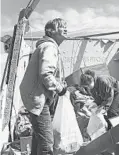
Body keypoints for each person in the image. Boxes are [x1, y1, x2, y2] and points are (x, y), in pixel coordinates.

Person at [20, 18, 67, 155]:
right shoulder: (49, 47)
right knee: (47, 144)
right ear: (51, 31)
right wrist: (60, 88)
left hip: (36, 96)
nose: (65, 29)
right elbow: (46, 74)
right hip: (37, 98)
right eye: (61, 26)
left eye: (66, 26)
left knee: (39, 138)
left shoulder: (47, 47)